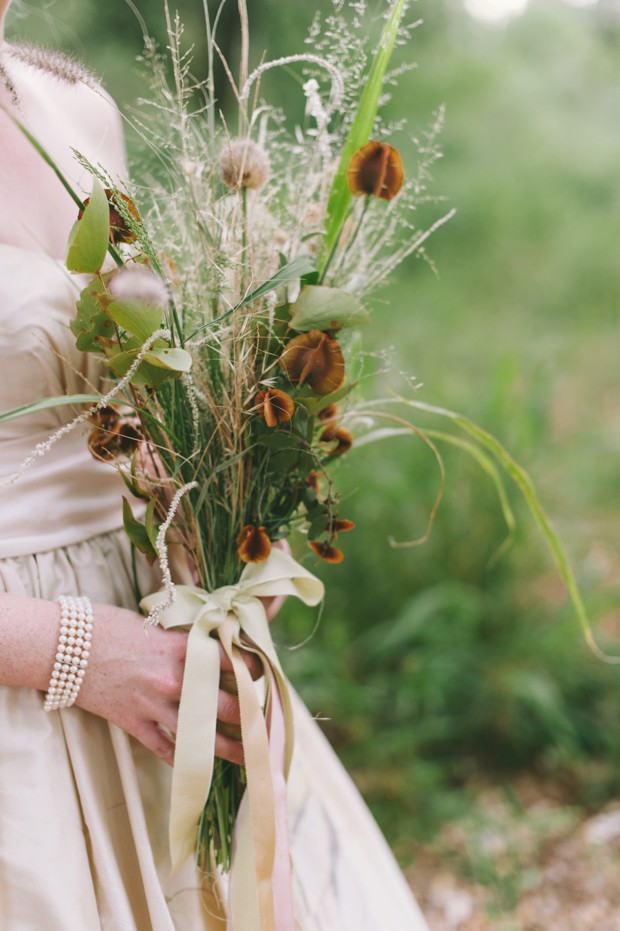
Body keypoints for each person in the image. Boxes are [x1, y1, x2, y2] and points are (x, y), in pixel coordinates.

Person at [0, 3, 430, 928]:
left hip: (160, 648)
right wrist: (79, 653)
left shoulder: (75, 109)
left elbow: (127, 390)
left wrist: (218, 529)